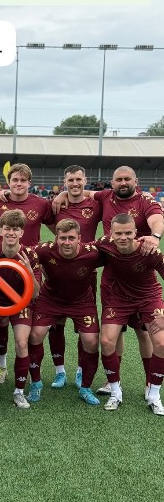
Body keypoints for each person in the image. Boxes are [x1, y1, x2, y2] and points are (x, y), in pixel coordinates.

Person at [54, 165, 164, 396]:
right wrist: (63, 193)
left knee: (143, 331)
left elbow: (157, 219)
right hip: (112, 279)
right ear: (112, 183)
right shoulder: (106, 196)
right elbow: (82, 191)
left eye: (127, 179)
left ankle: (148, 383)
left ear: (135, 181)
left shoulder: (145, 199)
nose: (123, 183)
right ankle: (113, 381)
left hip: (139, 277)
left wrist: (154, 236)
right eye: (118, 180)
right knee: (115, 332)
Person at [0, 163, 55, 384]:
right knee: (0, 320)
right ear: (8, 182)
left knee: (26, 333)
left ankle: (31, 379)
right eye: (14, 180)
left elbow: (58, 228)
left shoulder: (42, 203)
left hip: (28, 266)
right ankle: (2, 367)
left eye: (23, 180)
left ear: (29, 183)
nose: (18, 184)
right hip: (2, 265)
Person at [28, 219, 103, 406]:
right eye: (62, 238)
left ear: (79, 238)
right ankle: (36, 383)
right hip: (50, 298)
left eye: (71, 238)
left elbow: (118, 256)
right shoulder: (44, 250)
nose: (67, 242)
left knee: (92, 341)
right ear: (56, 238)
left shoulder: (93, 253)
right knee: (35, 335)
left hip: (82, 301)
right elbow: (21, 254)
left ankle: (85, 387)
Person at [96, 213, 164, 415]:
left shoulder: (149, 251)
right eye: (118, 233)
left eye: (128, 233)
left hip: (149, 298)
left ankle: (154, 395)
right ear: (111, 233)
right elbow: (82, 252)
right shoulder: (104, 244)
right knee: (106, 341)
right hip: (119, 298)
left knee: (161, 343)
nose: (123, 237)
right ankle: (115, 392)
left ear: (135, 233)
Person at [0, 210, 41, 409]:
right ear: (1, 230)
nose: (11, 233)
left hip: (21, 303)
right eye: (7, 228)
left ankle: (19, 391)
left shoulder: (30, 254)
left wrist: (28, 271)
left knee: (22, 343)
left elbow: (35, 294)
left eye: (16, 229)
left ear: (22, 232)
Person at [50, 165, 102, 389]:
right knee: (56, 324)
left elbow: (110, 197)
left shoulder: (96, 205)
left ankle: (81, 371)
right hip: (58, 272)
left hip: (86, 273)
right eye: (70, 180)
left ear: (85, 180)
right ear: (65, 181)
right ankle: (59, 372)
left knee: (84, 327)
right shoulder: (56, 205)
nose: (74, 184)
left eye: (78, 179)